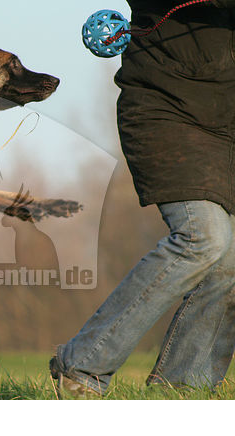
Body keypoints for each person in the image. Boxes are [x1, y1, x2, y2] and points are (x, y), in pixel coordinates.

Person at [50, 0, 235, 396]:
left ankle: (183, 389)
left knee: (230, 258)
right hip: (165, 111)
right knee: (204, 235)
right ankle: (82, 366)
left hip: (225, 126)